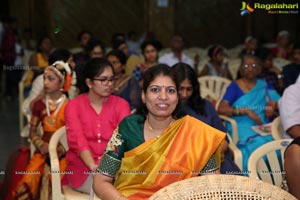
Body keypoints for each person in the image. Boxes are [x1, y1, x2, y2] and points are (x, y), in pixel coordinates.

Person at [93, 64, 226, 200]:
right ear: (144, 96)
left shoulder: (196, 134)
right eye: (155, 90)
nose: (163, 97)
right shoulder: (129, 128)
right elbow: (101, 180)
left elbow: (212, 187)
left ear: (177, 97)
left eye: (170, 90)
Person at [64, 58, 130, 194]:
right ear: (89, 82)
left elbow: (122, 140)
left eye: (112, 79)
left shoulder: (121, 105)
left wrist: (107, 169)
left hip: (116, 168)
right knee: (106, 190)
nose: (109, 84)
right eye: (103, 80)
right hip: (83, 170)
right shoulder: (74, 106)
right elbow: (78, 140)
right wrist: (93, 167)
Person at [13, 61, 72, 199]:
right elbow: (32, 131)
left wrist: (60, 150)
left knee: (58, 179)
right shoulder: (40, 105)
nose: (45, 82)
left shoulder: (70, 106)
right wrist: (40, 144)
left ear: (62, 83)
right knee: (29, 178)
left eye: (51, 79)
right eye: (45, 78)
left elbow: (73, 134)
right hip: (43, 150)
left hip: (63, 152)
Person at [172, 62, 241, 174]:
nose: (184, 94)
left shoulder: (205, 106)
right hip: (184, 167)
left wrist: (213, 155)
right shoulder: (167, 110)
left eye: (188, 89)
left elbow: (223, 140)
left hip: (217, 160)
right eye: (180, 89)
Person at [218, 54, 280, 172]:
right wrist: (245, 111)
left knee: (276, 143)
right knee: (256, 145)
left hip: (262, 125)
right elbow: (221, 109)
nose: (250, 68)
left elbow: (279, 101)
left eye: (254, 65)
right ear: (241, 69)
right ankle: (253, 180)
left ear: (259, 69)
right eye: (246, 65)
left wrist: (273, 103)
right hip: (241, 126)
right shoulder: (234, 86)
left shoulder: (264, 85)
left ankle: (274, 179)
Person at [120, 40, 160, 110]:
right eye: (147, 52)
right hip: (142, 99)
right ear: (143, 54)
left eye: (152, 51)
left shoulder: (163, 67)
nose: (150, 54)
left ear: (157, 52)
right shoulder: (139, 67)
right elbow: (135, 84)